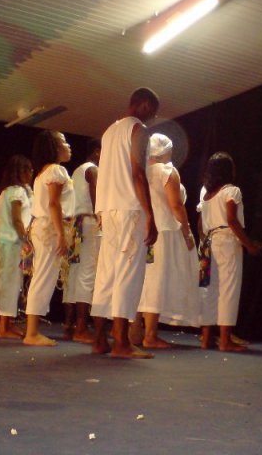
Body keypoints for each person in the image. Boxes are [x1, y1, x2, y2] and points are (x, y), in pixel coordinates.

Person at [90, 87, 159, 359]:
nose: (153, 117)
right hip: (130, 208)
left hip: (108, 209)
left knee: (107, 273)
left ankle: (99, 340)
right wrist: (150, 214)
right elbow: (138, 173)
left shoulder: (109, 131)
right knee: (128, 273)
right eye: (153, 111)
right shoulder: (138, 129)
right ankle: (121, 342)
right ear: (144, 105)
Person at [130, 133, 200, 348]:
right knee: (157, 281)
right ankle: (150, 335)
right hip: (165, 231)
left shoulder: (140, 172)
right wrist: (187, 233)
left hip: (143, 231)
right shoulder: (167, 171)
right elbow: (176, 206)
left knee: (142, 280)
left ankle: (134, 332)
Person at [197, 152, 262, 352]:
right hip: (227, 241)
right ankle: (225, 340)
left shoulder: (206, 195)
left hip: (209, 241)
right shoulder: (231, 191)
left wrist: (204, 241)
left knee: (210, 290)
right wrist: (249, 245)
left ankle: (206, 338)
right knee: (228, 290)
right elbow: (232, 220)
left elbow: (200, 224)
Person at [24, 130, 74, 346]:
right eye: (64, 142)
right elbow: (54, 204)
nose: (68, 146)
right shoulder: (55, 170)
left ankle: (32, 331)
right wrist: (61, 234)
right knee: (43, 277)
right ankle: (32, 333)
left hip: (44, 227)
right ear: (54, 147)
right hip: (49, 228)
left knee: (43, 276)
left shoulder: (43, 172)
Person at [0, 155, 34, 338]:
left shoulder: (4, 192)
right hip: (13, 242)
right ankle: (4, 327)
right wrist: (27, 240)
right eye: (27, 170)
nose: (30, 173)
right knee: (11, 284)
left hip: (1, 242)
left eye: (31, 169)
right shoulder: (17, 192)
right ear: (18, 172)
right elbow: (17, 219)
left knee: (0, 283)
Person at [62, 139, 101, 343]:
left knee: (74, 274)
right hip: (88, 223)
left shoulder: (77, 171)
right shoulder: (93, 169)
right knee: (87, 273)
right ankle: (81, 328)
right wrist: (102, 218)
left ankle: (69, 326)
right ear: (97, 152)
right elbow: (97, 197)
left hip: (75, 225)